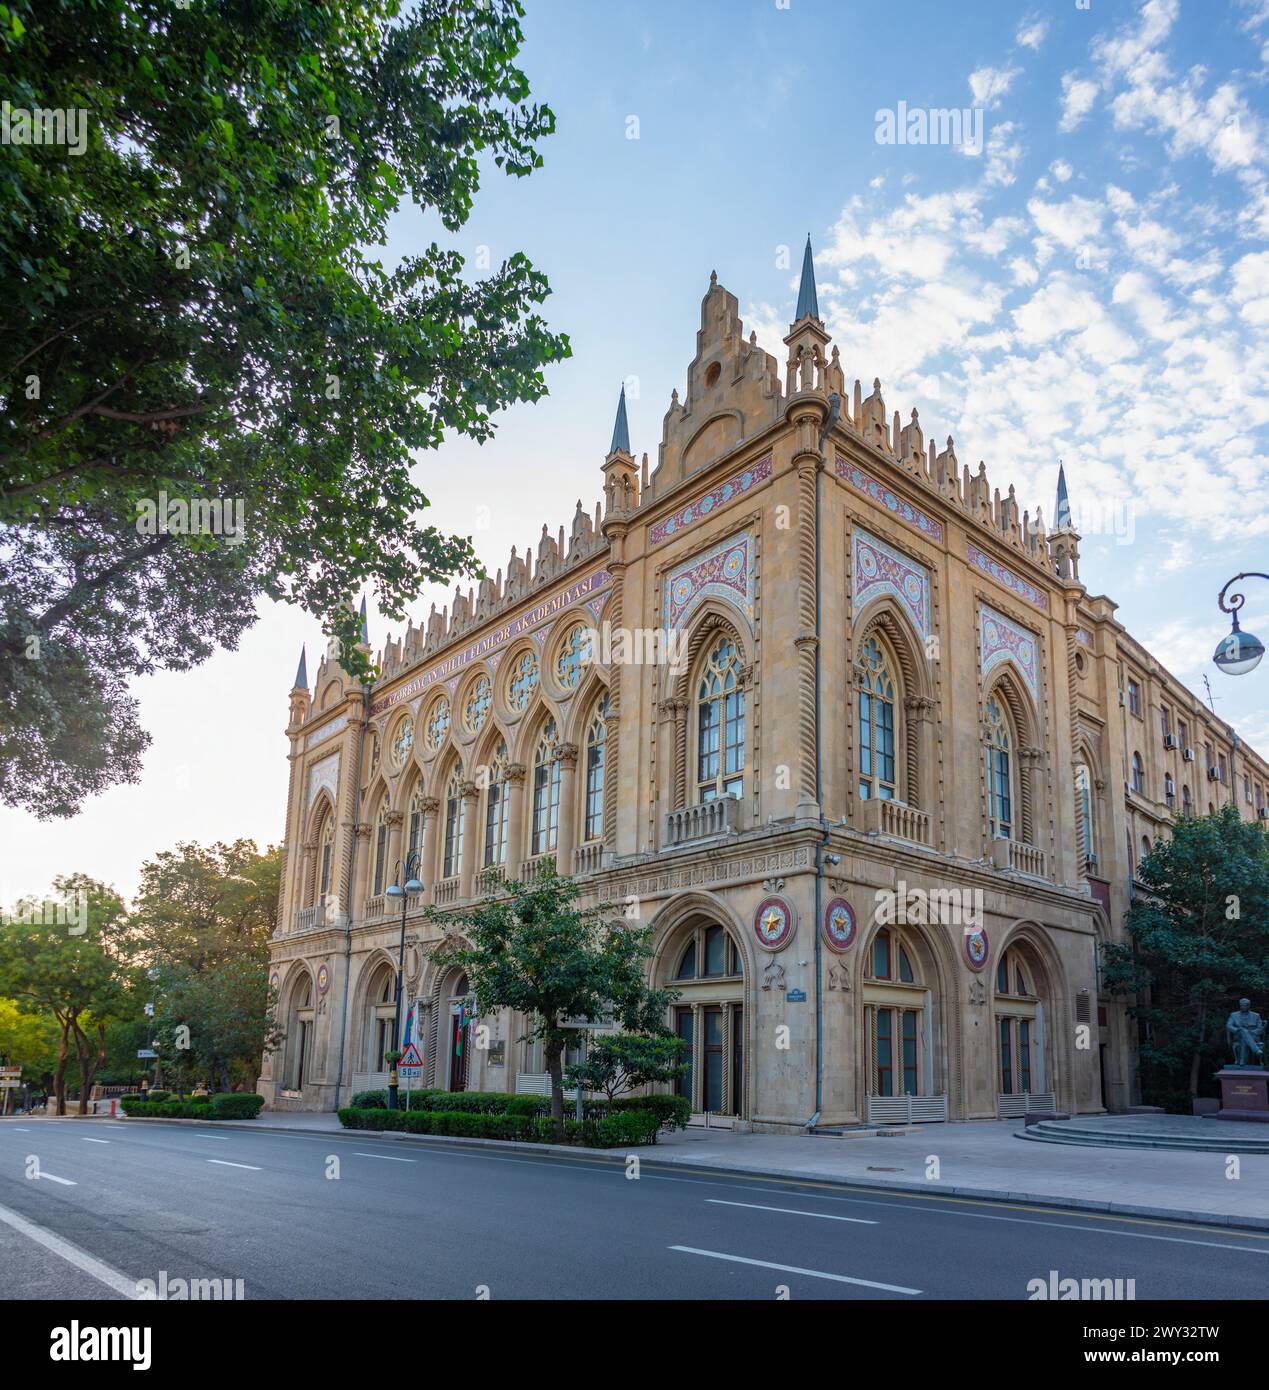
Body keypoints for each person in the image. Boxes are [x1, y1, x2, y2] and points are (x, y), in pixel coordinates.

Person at [1226, 998, 1266, 1067]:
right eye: (1242, 1005)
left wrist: (1251, 1032)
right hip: (1238, 1035)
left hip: (1253, 1036)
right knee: (1242, 1031)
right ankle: (1256, 1050)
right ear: (1240, 1006)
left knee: (1244, 1037)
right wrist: (1237, 1030)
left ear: (1249, 1006)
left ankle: (1242, 1062)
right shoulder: (1233, 1015)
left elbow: (1260, 1028)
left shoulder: (1256, 1015)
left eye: (1245, 1005)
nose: (1243, 1007)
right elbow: (1228, 1025)